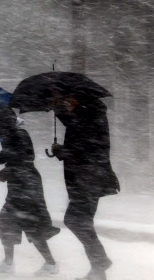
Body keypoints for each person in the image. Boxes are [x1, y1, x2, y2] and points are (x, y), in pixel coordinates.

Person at [0, 106, 60, 276]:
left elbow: (23, 161)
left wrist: (4, 174)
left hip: (26, 187)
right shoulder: (11, 135)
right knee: (17, 226)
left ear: (2, 122)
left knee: (20, 226)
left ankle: (46, 264)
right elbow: (6, 158)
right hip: (23, 186)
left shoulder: (17, 135)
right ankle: (44, 264)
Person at [50, 94, 120, 280]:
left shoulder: (90, 119)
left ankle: (100, 263)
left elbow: (85, 151)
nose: (67, 102)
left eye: (69, 99)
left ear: (81, 100)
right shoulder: (89, 116)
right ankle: (98, 270)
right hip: (87, 179)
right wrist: (58, 108)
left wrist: (61, 151)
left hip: (88, 180)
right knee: (81, 222)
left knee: (75, 221)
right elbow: (75, 127)